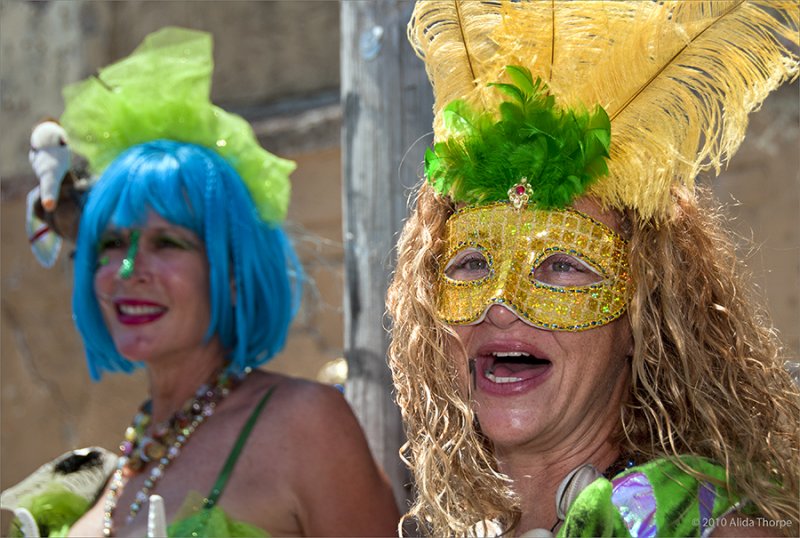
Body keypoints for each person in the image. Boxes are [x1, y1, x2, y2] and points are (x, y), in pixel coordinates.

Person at [387, 2, 799, 537]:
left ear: (642, 320)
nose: (501, 303)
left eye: (562, 265)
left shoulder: (707, 525)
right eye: (473, 262)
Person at [2, 27, 399, 537]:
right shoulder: (106, 473)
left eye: (167, 243)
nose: (129, 271)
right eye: (112, 244)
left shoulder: (302, 425)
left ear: (233, 273)